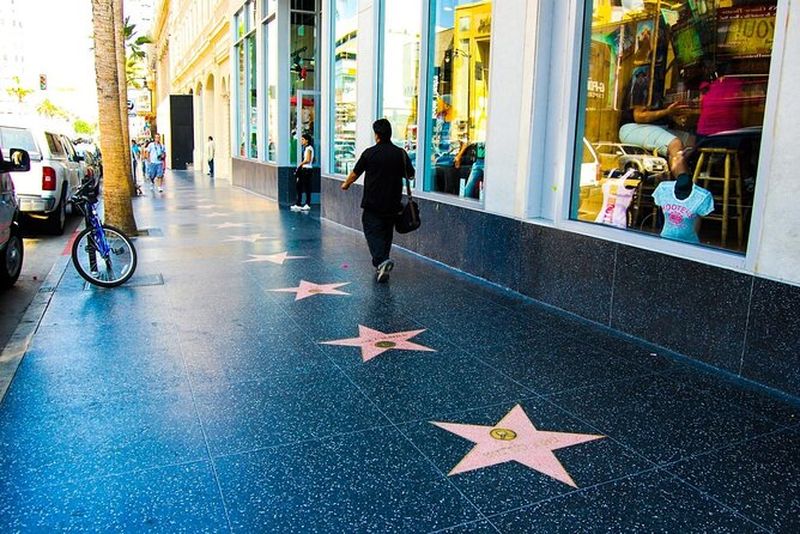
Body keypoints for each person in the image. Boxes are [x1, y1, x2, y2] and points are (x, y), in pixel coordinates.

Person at [341, 119, 414, 283]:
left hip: (373, 202)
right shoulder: (400, 153)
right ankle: (383, 265)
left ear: (377, 135)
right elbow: (410, 174)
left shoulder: (370, 153)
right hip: (393, 202)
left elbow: (355, 173)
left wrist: (346, 184)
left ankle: (381, 261)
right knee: (387, 233)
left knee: (372, 232)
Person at [618, 66, 692, 179]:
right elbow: (639, 117)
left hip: (654, 127)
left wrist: (672, 117)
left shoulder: (658, 84)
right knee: (675, 143)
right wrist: (667, 112)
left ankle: (676, 174)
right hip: (633, 128)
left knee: (692, 141)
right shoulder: (642, 80)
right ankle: (682, 184)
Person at [291, 134, 314, 212]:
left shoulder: (309, 148)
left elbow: (308, 160)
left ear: (307, 140)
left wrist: (300, 164)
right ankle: (298, 203)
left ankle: (307, 204)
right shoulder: (305, 148)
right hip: (304, 169)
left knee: (307, 187)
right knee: (299, 186)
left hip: (307, 170)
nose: (301, 141)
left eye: (303, 139)